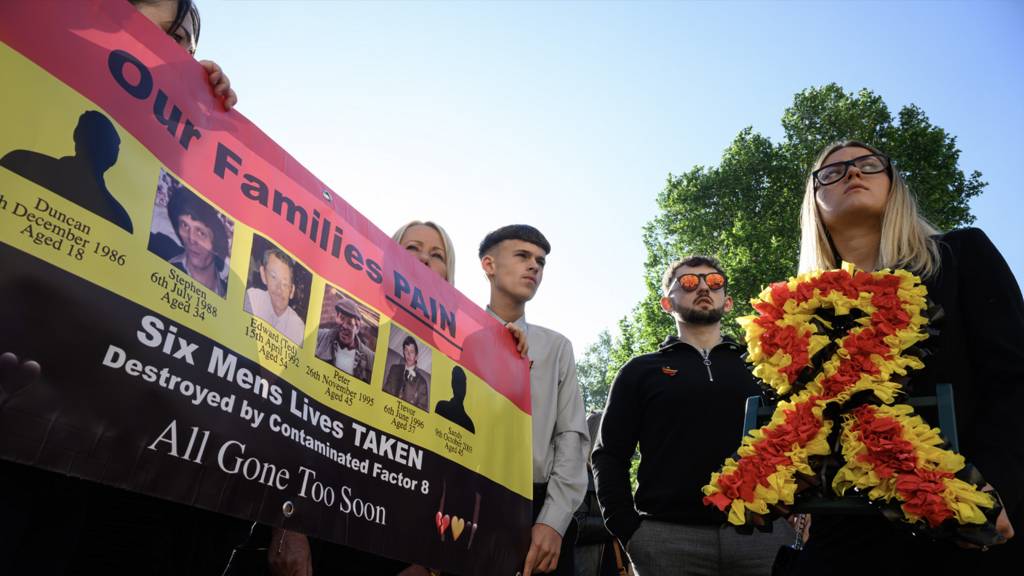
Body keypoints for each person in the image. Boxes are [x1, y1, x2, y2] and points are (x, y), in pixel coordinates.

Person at [789, 140, 1022, 574]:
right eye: (832, 172)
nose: (853, 174)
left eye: (868, 165)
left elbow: (1013, 376)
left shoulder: (961, 254)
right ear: (814, 202)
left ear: (894, 185)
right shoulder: (799, 311)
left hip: (965, 518)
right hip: (843, 534)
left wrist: (1001, 485)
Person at [592, 256, 792, 576]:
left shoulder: (764, 367)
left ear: (727, 302)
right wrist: (629, 531)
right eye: (687, 282)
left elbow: (796, 440)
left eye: (713, 282)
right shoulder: (640, 371)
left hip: (763, 536)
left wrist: (797, 515)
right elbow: (609, 455)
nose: (701, 287)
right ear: (666, 303)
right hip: (666, 540)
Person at [479, 224, 589, 576]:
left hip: (538, 504)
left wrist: (554, 521)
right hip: (465, 499)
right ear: (489, 265)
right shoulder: (453, 334)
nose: (535, 267)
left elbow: (571, 436)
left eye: (540, 262)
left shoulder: (556, 348)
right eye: (523, 256)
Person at [1, 110, 134, 233]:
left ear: (76, 135)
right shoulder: (120, 219)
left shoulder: (20, 160)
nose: (115, 149)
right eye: (114, 144)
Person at [164, 186, 230, 296]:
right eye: (185, 225)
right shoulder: (166, 270)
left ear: (216, 242)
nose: (191, 239)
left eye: (200, 232)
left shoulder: (227, 293)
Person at [244, 247, 306, 346]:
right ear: (263, 275)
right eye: (273, 277)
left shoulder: (298, 328)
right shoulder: (252, 299)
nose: (279, 289)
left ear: (292, 291)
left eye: (285, 284)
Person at [314, 293, 375, 382]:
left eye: (350, 323)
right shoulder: (319, 337)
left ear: (357, 328)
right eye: (342, 319)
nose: (344, 326)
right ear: (337, 317)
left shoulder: (370, 358)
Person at [383, 334, 431, 410]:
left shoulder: (422, 383)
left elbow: (421, 411)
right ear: (403, 353)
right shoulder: (394, 369)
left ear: (416, 356)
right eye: (406, 351)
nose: (408, 354)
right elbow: (386, 391)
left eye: (411, 351)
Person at [435, 366, 476, 433]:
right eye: (458, 383)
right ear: (453, 384)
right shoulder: (441, 407)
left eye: (463, 384)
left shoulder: (469, 424)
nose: (461, 388)